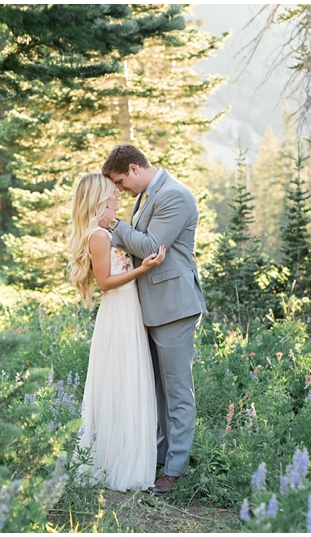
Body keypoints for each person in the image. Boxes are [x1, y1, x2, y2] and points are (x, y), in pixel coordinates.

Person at [97, 143, 206, 496]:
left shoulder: (174, 195)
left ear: (133, 168)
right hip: (151, 306)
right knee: (157, 389)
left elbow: (150, 246)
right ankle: (159, 455)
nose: (121, 189)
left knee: (176, 390)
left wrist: (114, 224)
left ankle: (174, 470)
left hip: (174, 306)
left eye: (120, 181)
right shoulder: (146, 195)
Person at [67, 172, 167, 492]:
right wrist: (143, 269)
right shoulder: (98, 235)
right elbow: (105, 282)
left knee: (132, 382)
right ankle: (113, 463)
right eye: (113, 194)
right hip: (117, 311)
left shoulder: (110, 230)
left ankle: (130, 459)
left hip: (130, 310)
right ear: (99, 199)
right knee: (120, 382)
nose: (118, 196)